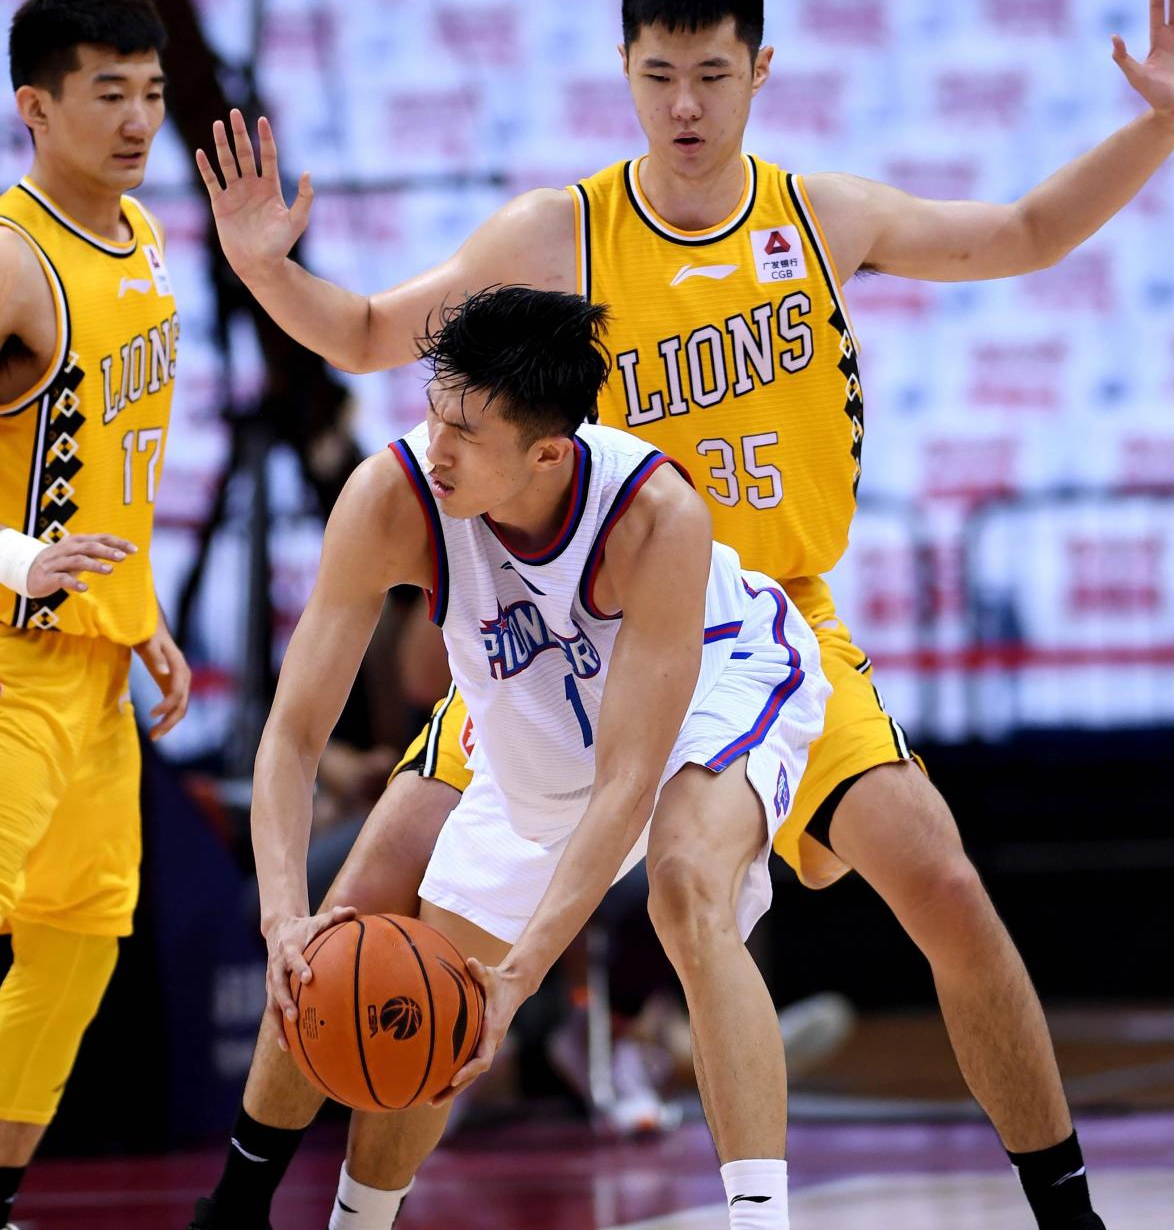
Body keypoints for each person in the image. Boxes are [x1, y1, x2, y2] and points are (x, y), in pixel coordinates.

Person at [192, 0, 1174, 1230]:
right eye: (659, 74)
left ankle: (1065, 1209)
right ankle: (247, 1199)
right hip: (571, 616)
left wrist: (1163, 124)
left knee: (941, 882)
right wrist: (268, 270)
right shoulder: (557, 233)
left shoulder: (819, 217)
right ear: (623, 68)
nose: (684, 105)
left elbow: (1024, 230)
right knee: (374, 894)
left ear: (759, 70)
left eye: (712, 75)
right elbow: (368, 333)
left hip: (764, 621)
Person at [209, 284, 827, 1230]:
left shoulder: (656, 517)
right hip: (536, 725)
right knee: (412, 975)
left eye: (466, 432)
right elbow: (292, 736)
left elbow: (627, 786)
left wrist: (524, 974)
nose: (437, 446)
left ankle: (759, 1219)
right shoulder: (392, 497)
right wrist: (284, 919)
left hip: (711, 688)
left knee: (683, 887)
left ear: (548, 452)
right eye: (434, 413)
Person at [0, 0, 191, 1227]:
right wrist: (18, 561)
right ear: (37, 107)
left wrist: (142, 611)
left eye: (153, 94)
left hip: (98, 662)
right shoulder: (14, 261)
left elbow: (103, 460)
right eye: (109, 93)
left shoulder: (145, 236)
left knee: (77, 937)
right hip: (9, 652)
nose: (138, 121)